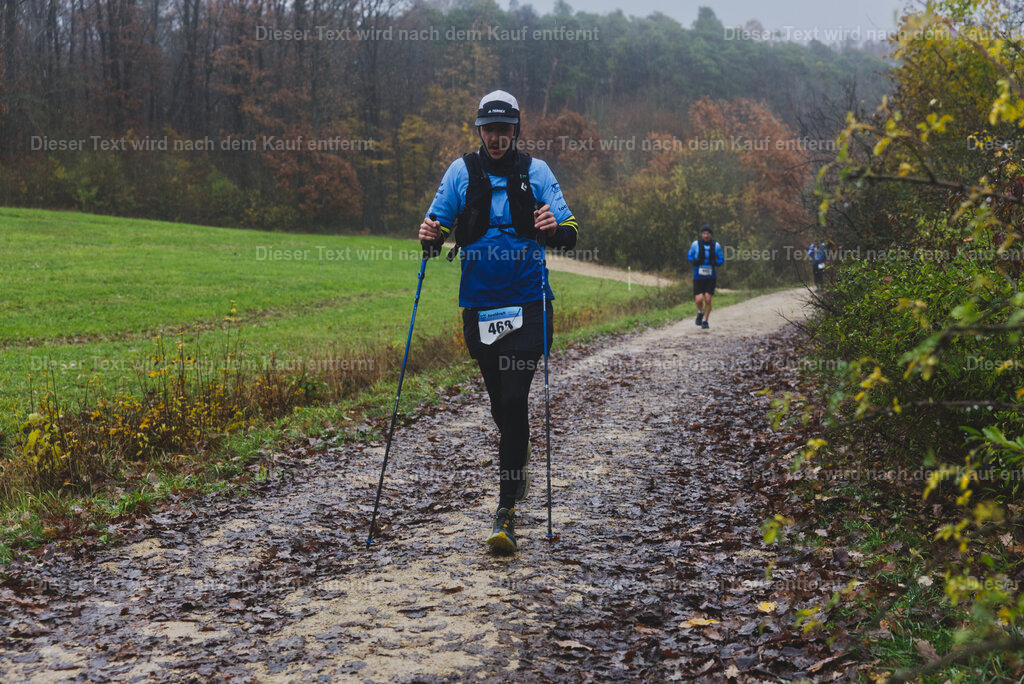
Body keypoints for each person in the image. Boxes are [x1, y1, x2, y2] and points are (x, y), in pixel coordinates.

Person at [418, 90, 579, 554]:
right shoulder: (461, 173)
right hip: (480, 305)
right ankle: (518, 453)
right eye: (489, 129)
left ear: (515, 131)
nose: (496, 137)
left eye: (504, 129)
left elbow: (569, 231)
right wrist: (428, 235)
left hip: (528, 302)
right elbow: (436, 231)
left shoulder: (537, 173)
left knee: (514, 396)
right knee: (501, 407)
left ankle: (505, 508)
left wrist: (552, 228)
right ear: (479, 131)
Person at [687, 225, 724, 329]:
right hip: (698, 276)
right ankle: (700, 311)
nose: (706, 235)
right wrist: (693, 261)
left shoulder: (716, 245)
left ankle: (705, 321)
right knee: (699, 300)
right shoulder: (695, 244)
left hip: (711, 276)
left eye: (708, 233)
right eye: (704, 233)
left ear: (711, 235)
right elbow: (689, 255)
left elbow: (721, 259)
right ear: (701, 234)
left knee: (708, 299)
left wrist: (716, 263)